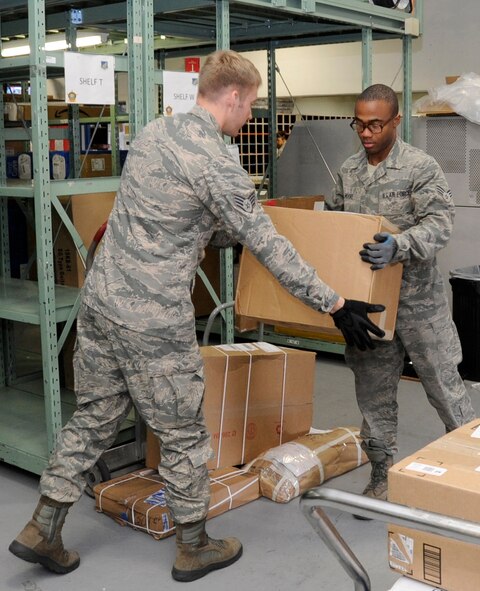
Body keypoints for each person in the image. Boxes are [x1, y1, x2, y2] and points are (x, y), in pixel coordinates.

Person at [9, 51, 385, 582]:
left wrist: (242, 217)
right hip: (152, 317)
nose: (250, 116)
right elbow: (268, 249)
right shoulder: (215, 160)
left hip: (100, 303)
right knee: (184, 431)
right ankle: (193, 545)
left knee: (93, 416)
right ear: (231, 96)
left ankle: (43, 526)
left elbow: (182, 219)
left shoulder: (155, 134)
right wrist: (336, 303)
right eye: (251, 104)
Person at [325, 83, 476, 507]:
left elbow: (441, 223)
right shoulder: (348, 170)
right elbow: (334, 225)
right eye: (360, 123)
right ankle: (381, 474)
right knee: (373, 392)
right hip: (371, 306)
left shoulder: (420, 167)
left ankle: (471, 469)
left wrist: (401, 245)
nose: (366, 132)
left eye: (375, 124)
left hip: (420, 304)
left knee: (445, 388)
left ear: (395, 121)